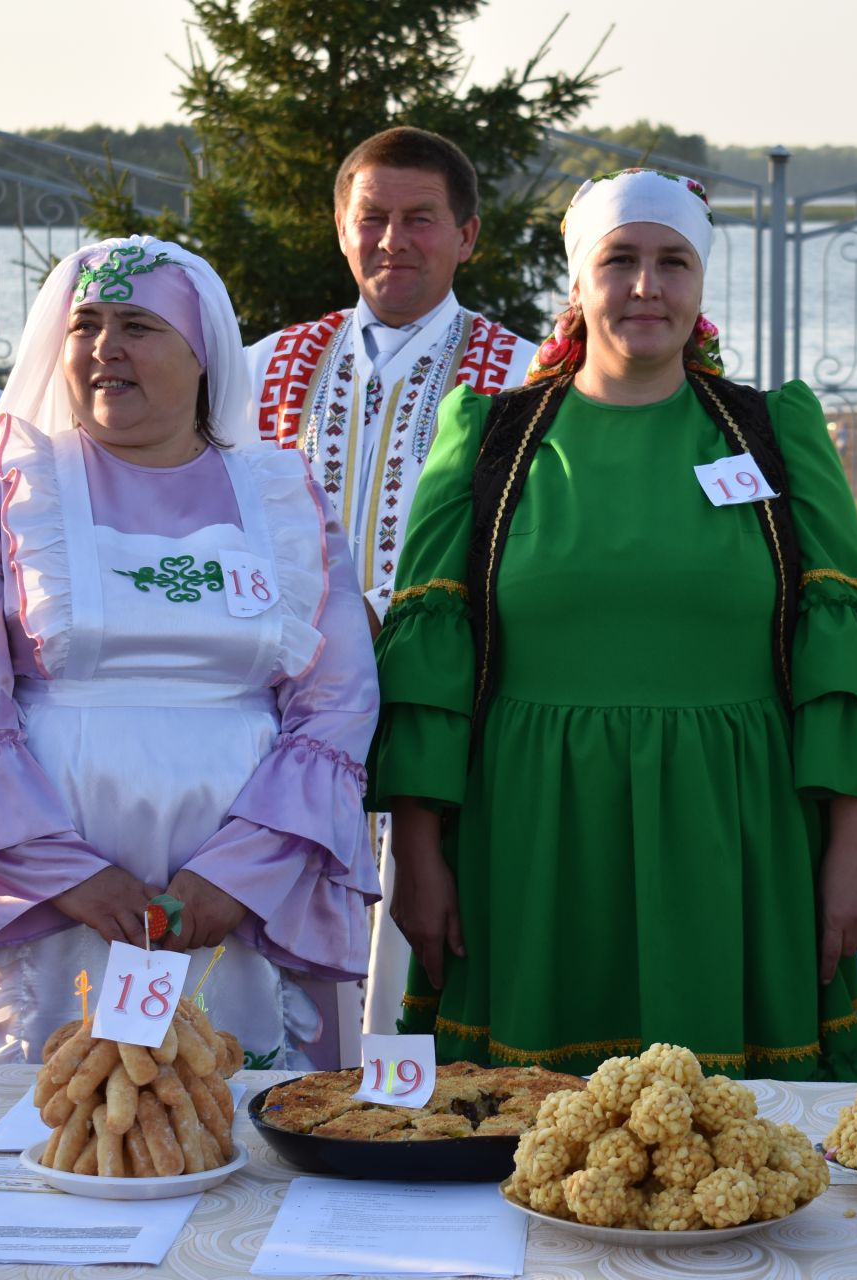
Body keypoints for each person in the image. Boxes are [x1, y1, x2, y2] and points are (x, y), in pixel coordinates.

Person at [372, 168, 857, 1078]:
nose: (645, 287)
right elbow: (430, 657)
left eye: (673, 263)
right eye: (619, 261)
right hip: (534, 834)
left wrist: (855, 852)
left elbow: (840, 644)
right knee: (526, 1137)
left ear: (700, 285)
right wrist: (420, 855)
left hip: (737, 832)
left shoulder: (769, 434)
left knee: (736, 1147)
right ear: (579, 284)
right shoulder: (492, 440)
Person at [0, 235, 379, 1074]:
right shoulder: (9, 482)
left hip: (243, 886)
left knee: (234, 1119)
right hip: (47, 885)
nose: (106, 347)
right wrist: (63, 874)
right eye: (87, 325)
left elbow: (338, 700)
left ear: (203, 353)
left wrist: (242, 873)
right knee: (50, 1128)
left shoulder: (282, 493)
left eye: (138, 324)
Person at [242, 126, 536, 1042]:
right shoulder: (264, 367)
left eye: (420, 219)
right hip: (287, 710)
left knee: (432, 947)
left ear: (468, 235)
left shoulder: (523, 377)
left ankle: (418, 1130)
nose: (393, 241)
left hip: (452, 714)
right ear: (340, 226)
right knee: (284, 955)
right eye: (372, 217)